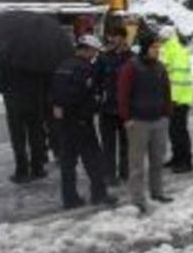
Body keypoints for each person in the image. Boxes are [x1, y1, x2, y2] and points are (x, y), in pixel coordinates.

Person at [51, 35, 118, 209]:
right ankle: (99, 194)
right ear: (86, 49)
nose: (95, 55)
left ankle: (69, 198)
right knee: (93, 159)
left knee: (68, 162)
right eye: (94, 51)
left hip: (63, 122)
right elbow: (86, 96)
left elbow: (54, 93)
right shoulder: (85, 69)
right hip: (81, 121)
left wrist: (58, 108)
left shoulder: (63, 65)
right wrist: (97, 105)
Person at [118, 32, 175, 213]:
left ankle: (157, 192)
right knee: (137, 165)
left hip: (159, 121)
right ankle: (137, 199)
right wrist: (126, 118)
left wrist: (167, 114)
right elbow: (123, 94)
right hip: (138, 122)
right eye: (154, 47)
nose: (157, 50)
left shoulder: (160, 67)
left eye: (158, 47)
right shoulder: (131, 67)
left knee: (157, 161)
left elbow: (167, 91)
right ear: (145, 48)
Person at [0, 52, 49, 183]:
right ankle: (37, 167)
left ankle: (22, 170)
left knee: (18, 137)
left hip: (14, 102)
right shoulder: (36, 55)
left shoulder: (6, 55)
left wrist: (7, 91)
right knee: (36, 135)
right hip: (35, 101)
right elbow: (45, 78)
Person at [95, 26, 133, 184]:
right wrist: (98, 97)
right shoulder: (103, 57)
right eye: (110, 36)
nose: (111, 39)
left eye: (115, 36)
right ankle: (109, 174)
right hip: (107, 108)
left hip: (127, 109)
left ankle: (126, 172)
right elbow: (96, 79)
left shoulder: (132, 58)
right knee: (108, 144)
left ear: (123, 38)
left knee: (127, 144)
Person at [159, 26, 193, 173]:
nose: (160, 40)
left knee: (179, 131)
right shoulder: (168, 49)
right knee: (173, 131)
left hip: (179, 99)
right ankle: (177, 157)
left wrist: (174, 99)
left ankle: (185, 161)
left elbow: (179, 78)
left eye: (161, 37)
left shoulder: (176, 50)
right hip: (174, 97)